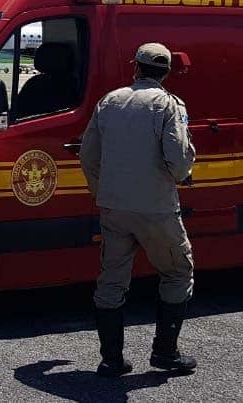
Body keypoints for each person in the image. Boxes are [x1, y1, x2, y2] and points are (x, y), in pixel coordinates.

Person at [81, 42, 197, 377]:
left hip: (114, 206)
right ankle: (165, 353)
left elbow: (88, 155)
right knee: (177, 272)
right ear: (166, 73)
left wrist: (102, 191)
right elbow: (177, 157)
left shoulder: (111, 100)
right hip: (156, 207)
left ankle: (111, 360)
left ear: (136, 68)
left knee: (112, 280)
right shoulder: (168, 104)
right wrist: (183, 174)